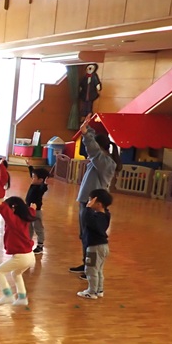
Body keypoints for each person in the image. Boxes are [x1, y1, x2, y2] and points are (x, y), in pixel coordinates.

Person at [69, 116, 120, 275]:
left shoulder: (106, 163)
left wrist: (85, 134)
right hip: (87, 202)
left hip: (95, 205)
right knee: (84, 235)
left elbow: (93, 150)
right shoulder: (99, 161)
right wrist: (87, 128)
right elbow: (94, 149)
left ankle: (90, 270)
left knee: (91, 237)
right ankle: (86, 265)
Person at [0, 191, 36, 307]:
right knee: (16, 274)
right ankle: (22, 297)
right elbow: (30, 212)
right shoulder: (24, 218)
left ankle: (8, 295)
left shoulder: (15, 221)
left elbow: (7, 214)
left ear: (13, 209)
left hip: (22, 257)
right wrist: (32, 209)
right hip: (30, 256)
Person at [77, 188, 112, 300]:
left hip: (94, 248)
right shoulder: (105, 215)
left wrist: (87, 208)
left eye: (91, 200)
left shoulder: (96, 217)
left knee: (90, 270)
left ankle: (91, 292)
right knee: (98, 270)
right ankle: (99, 290)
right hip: (103, 247)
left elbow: (87, 219)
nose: (89, 202)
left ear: (99, 204)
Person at [25, 162, 50, 254]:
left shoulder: (40, 188)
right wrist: (30, 166)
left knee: (38, 228)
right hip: (29, 210)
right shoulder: (34, 183)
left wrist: (45, 184)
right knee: (29, 227)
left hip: (36, 212)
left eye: (34, 177)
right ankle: (28, 242)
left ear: (40, 180)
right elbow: (32, 173)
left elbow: (43, 188)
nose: (32, 178)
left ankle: (40, 245)